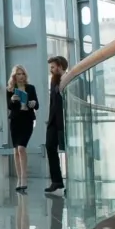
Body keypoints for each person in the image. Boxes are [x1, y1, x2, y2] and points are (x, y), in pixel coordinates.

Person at [6, 64, 39, 192]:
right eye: (18, 74)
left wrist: (33, 103)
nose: (21, 76)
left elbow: (37, 105)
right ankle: (19, 178)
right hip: (15, 121)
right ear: (14, 76)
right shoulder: (10, 89)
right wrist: (13, 100)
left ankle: (24, 178)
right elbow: (9, 107)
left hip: (27, 120)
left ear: (25, 75)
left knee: (21, 148)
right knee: (16, 150)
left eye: (22, 74)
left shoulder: (31, 88)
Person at [45, 56, 68, 194]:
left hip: (65, 121)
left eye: (53, 67)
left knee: (68, 151)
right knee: (49, 147)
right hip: (53, 121)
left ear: (60, 66)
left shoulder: (69, 78)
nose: (51, 69)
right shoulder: (53, 81)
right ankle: (57, 181)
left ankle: (71, 182)